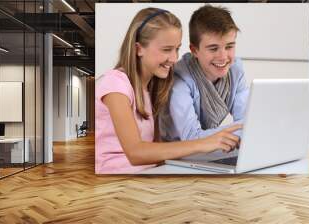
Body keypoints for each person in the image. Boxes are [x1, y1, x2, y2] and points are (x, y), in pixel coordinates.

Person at [95, 8, 242, 174]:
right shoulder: (115, 83)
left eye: (177, 49)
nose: (174, 58)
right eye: (166, 49)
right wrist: (204, 143)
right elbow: (135, 153)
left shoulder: (153, 88)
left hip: (148, 174)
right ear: (138, 49)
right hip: (115, 180)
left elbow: (156, 149)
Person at [160, 5, 249, 141]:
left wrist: (247, 128)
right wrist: (243, 129)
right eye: (213, 49)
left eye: (229, 46)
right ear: (194, 50)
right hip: (175, 152)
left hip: (210, 149)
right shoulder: (179, 78)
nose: (223, 56)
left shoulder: (235, 70)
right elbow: (191, 138)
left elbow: (247, 121)